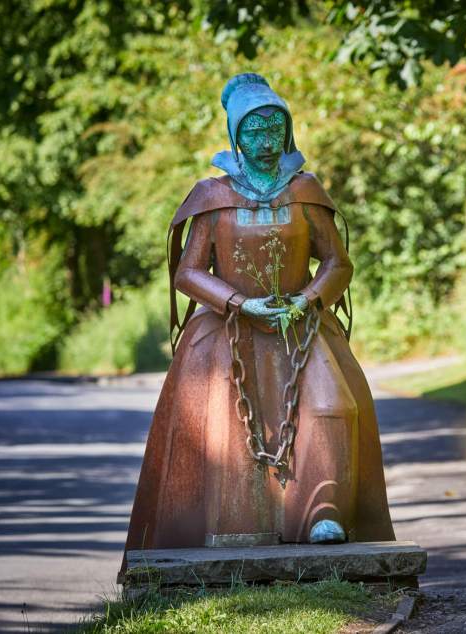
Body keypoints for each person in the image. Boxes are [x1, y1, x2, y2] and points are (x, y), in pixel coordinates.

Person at [119, 73, 395, 579]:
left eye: (275, 128)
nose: (266, 141)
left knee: (334, 404)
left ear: (288, 132)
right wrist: (239, 303)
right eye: (254, 130)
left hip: (302, 325)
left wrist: (307, 301)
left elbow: (337, 262)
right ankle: (237, 523)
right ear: (235, 136)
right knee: (226, 423)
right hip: (227, 332)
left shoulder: (306, 192)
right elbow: (188, 271)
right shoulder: (211, 196)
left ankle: (322, 514)